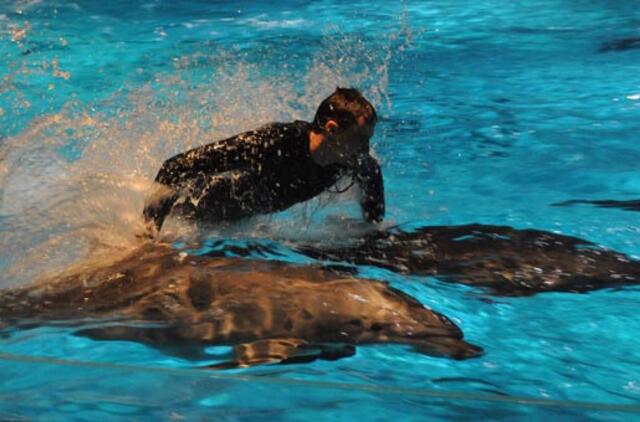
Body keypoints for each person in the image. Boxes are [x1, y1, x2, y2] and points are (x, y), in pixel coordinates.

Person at [142, 87, 385, 236]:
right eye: (358, 139)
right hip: (187, 214)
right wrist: (148, 236)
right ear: (331, 129)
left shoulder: (354, 161)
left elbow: (373, 177)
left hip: (232, 227)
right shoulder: (274, 143)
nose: (366, 148)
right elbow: (174, 168)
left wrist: (371, 231)